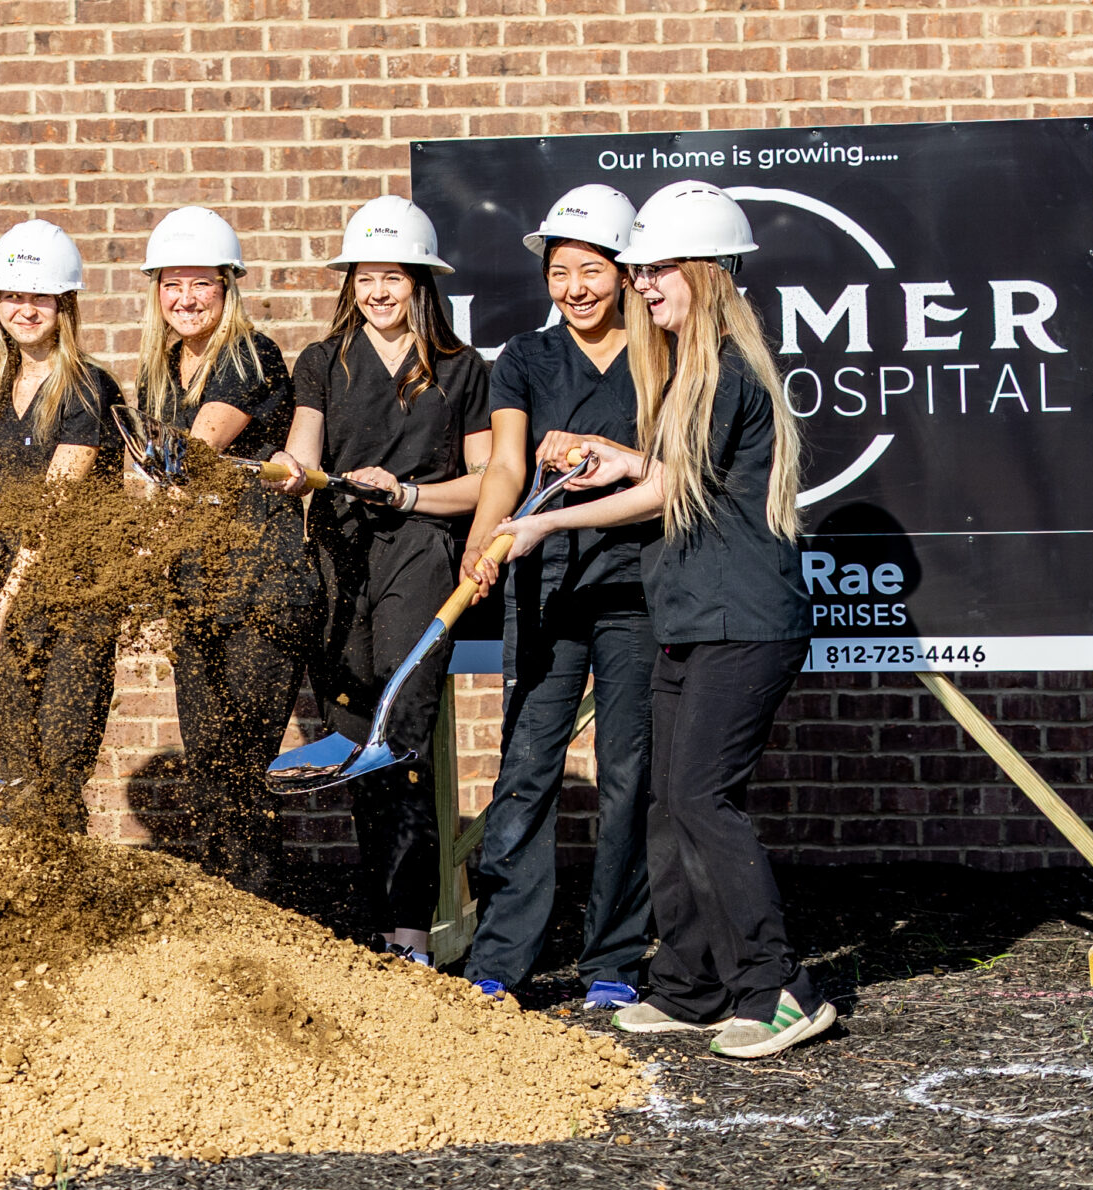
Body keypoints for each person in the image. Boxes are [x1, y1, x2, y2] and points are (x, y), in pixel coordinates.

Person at [498, 179, 834, 1060]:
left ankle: (779, 987)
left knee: (700, 797)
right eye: (638, 271)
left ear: (708, 272)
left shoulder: (721, 362)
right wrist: (614, 458)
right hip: (691, 613)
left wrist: (549, 517)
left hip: (744, 619)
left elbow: (666, 489)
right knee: (664, 801)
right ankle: (691, 986)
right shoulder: (691, 363)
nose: (642, 286)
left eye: (657, 271)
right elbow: (665, 466)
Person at [273, 197, 491, 966]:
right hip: (339, 561)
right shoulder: (320, 362)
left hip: (422, 552)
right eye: (366, 277)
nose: (377, 291)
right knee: (355, 743)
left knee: (398, 739)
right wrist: (290, 475)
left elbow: (485, 481)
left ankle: (411, 932)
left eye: (392, 276)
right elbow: (302, 457)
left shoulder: (464, 370)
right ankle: (380, 925)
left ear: (421, 283)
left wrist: (406, 494)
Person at [458, 185, 656, 1007]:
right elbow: (506, 463)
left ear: (623, 272)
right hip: (544, 587)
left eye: (592, 270)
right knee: (528, 766)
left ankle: (614, 957)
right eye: (560, 271)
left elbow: (674, 464)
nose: (573, 287)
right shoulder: (525, 358)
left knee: (628, 773)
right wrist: (486, 529)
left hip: (640, 588)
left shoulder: (663, 354)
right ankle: (503, 955)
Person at [136, 206, 315, 892]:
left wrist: (142, 489)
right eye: (171, 283)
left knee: (240, 759)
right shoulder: (160, 374)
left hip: (260, 590)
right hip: (196, 589)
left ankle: (256, 906)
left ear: (228, 286)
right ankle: (224, 906)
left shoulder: (251, 355)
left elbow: (191, 450)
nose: (185, 298)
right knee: (208, 760)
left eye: (201, 283)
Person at [0, 220, 126, 828]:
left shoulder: (87, 388)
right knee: (10, 765)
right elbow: (1, 492)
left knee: (58, 761)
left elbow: (52, 508)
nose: (26, 309)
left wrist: (2, 610)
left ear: (65, 304)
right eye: (14, 296)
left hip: (73, 600)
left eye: (40, 296)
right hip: (2, 594)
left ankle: (67, 903)